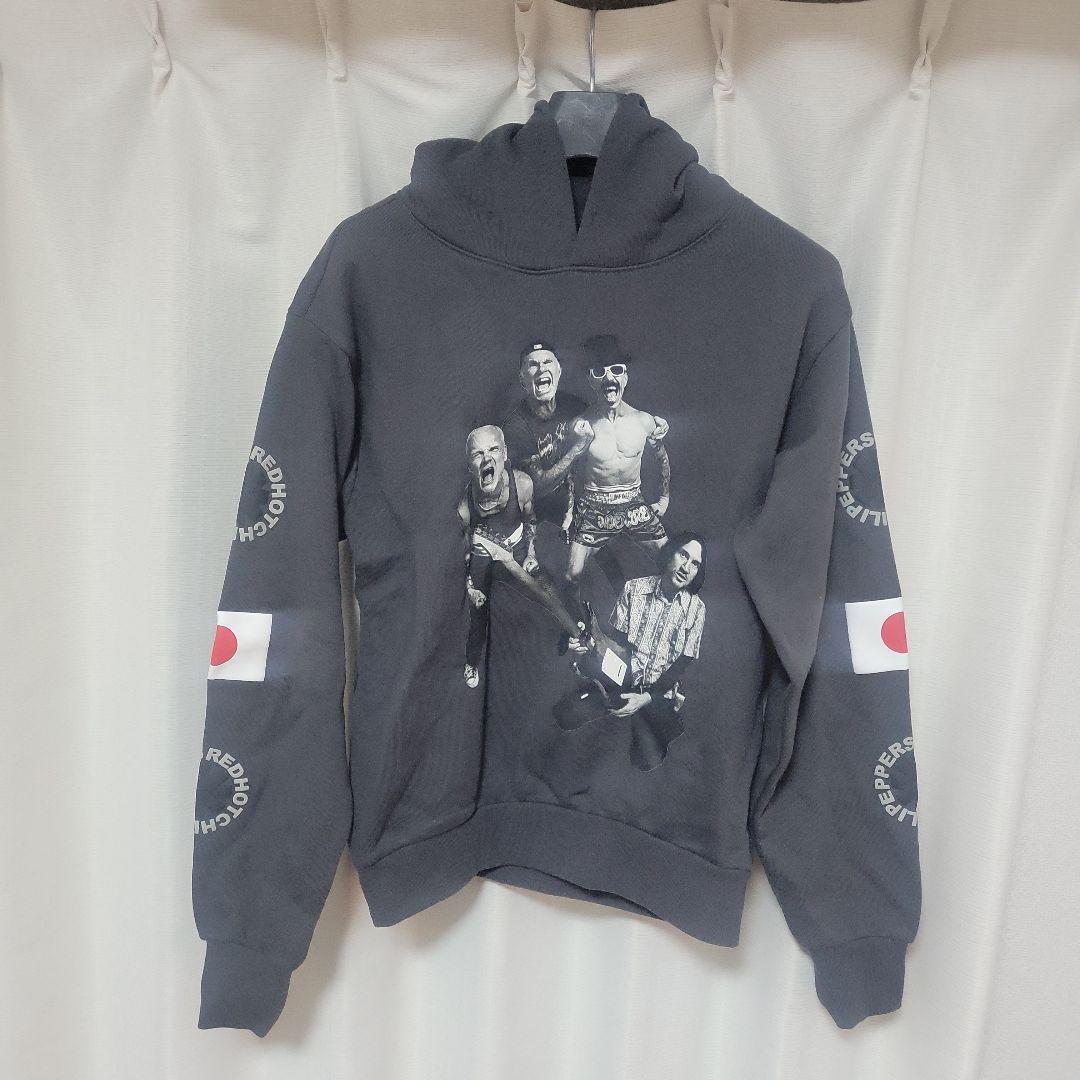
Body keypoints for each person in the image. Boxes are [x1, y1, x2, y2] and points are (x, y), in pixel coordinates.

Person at [555, 531, 707, 771]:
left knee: (647, 761)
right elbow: (618, 645)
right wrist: (588, 647)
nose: (686, 567)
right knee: (565, 715)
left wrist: (645, 699)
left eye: (695, 564)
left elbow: (680, 666)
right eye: (683, 555)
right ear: (670, 553)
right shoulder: (634, 589)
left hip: (659, 691)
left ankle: (655, 724)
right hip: (624, 677)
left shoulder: (697, 609)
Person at [551, 334, 671, 632]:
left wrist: (664, 497)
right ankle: (580, 627)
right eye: (599, 372)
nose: (609, 379)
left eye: (616, 370)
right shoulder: (582, 424)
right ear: (590, 380)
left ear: (626, 377)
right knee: (571, 575)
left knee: (671, 561)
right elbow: (571, 472)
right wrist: (569, 514)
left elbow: (662, 457)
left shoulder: (644, 421)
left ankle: (658, 625)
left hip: (633, 503)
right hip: (594, 506)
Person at [458, 425, 581, 687]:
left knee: (548, 589)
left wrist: (531, 553)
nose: (487, 458)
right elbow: (463, 556)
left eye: (493, 450)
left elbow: (530, 518)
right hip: (483, 559)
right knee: (478, 616)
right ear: (470, 466)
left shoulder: (522, 484)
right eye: (478, 454)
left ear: (504, 454)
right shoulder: (465, 508)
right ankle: (471, 663)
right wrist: (470, 589)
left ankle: (574, 635)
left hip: (517, 550)